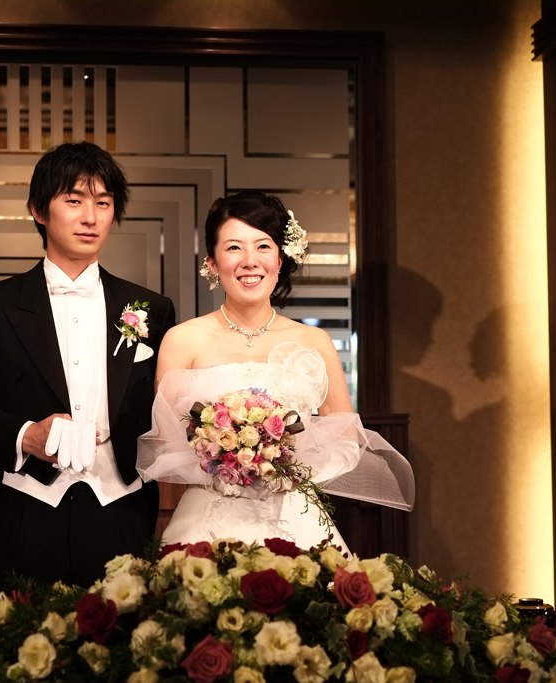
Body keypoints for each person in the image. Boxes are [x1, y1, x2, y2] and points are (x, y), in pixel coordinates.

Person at [0, 141, 177, 598]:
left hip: (123, 508)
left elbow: (167, 407)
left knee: (128, 639)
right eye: (74, 200)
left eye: (103, 203)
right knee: (20, 639)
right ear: (38, 210)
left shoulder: (151, 308)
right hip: (27, 508)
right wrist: (27, 435)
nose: (91, 217)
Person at [137, 191, 413, 553]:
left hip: (293, 514)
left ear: (280, 259)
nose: (250, 261)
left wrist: (282, 461)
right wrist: (224, 453)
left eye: (263, 246)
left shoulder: (314, 341)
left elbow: (345, 440)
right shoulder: (182, 340)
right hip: (209, 511)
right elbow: (164, 443)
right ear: (212, 262)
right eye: (234, 248)